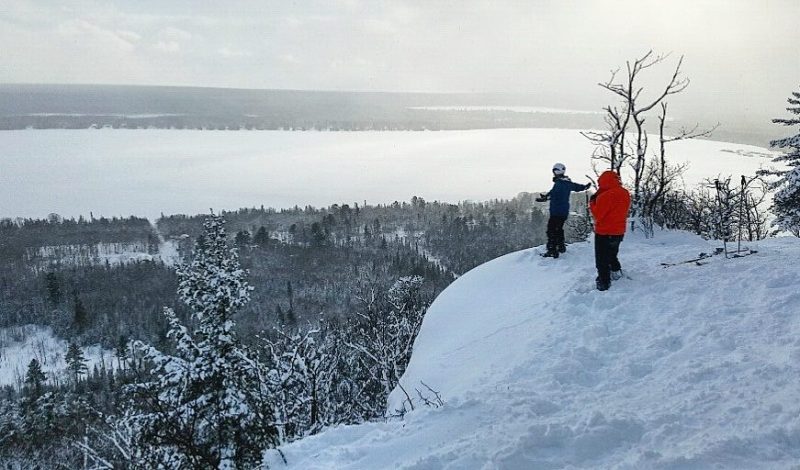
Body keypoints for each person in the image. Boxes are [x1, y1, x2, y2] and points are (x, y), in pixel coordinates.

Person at [536, 163, 591, 258]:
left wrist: (545, 198)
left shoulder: (559, 183)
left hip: (556, 211)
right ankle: (561, 247)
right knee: (558, 229)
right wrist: (584, 187)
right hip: (563, 211)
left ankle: (552, 250)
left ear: (556, 172)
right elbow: (576, 187)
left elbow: (553, 194)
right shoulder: (566, 182)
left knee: (551, 231)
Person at [589, 170, 631, 291]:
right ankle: (616, 272)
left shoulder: (606, 196)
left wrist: (592, 202)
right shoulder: (625, 193)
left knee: (602, 259)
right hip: (618, 231)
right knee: (612, 254)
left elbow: (598, 214)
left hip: (604, 232)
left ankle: (604, 282)